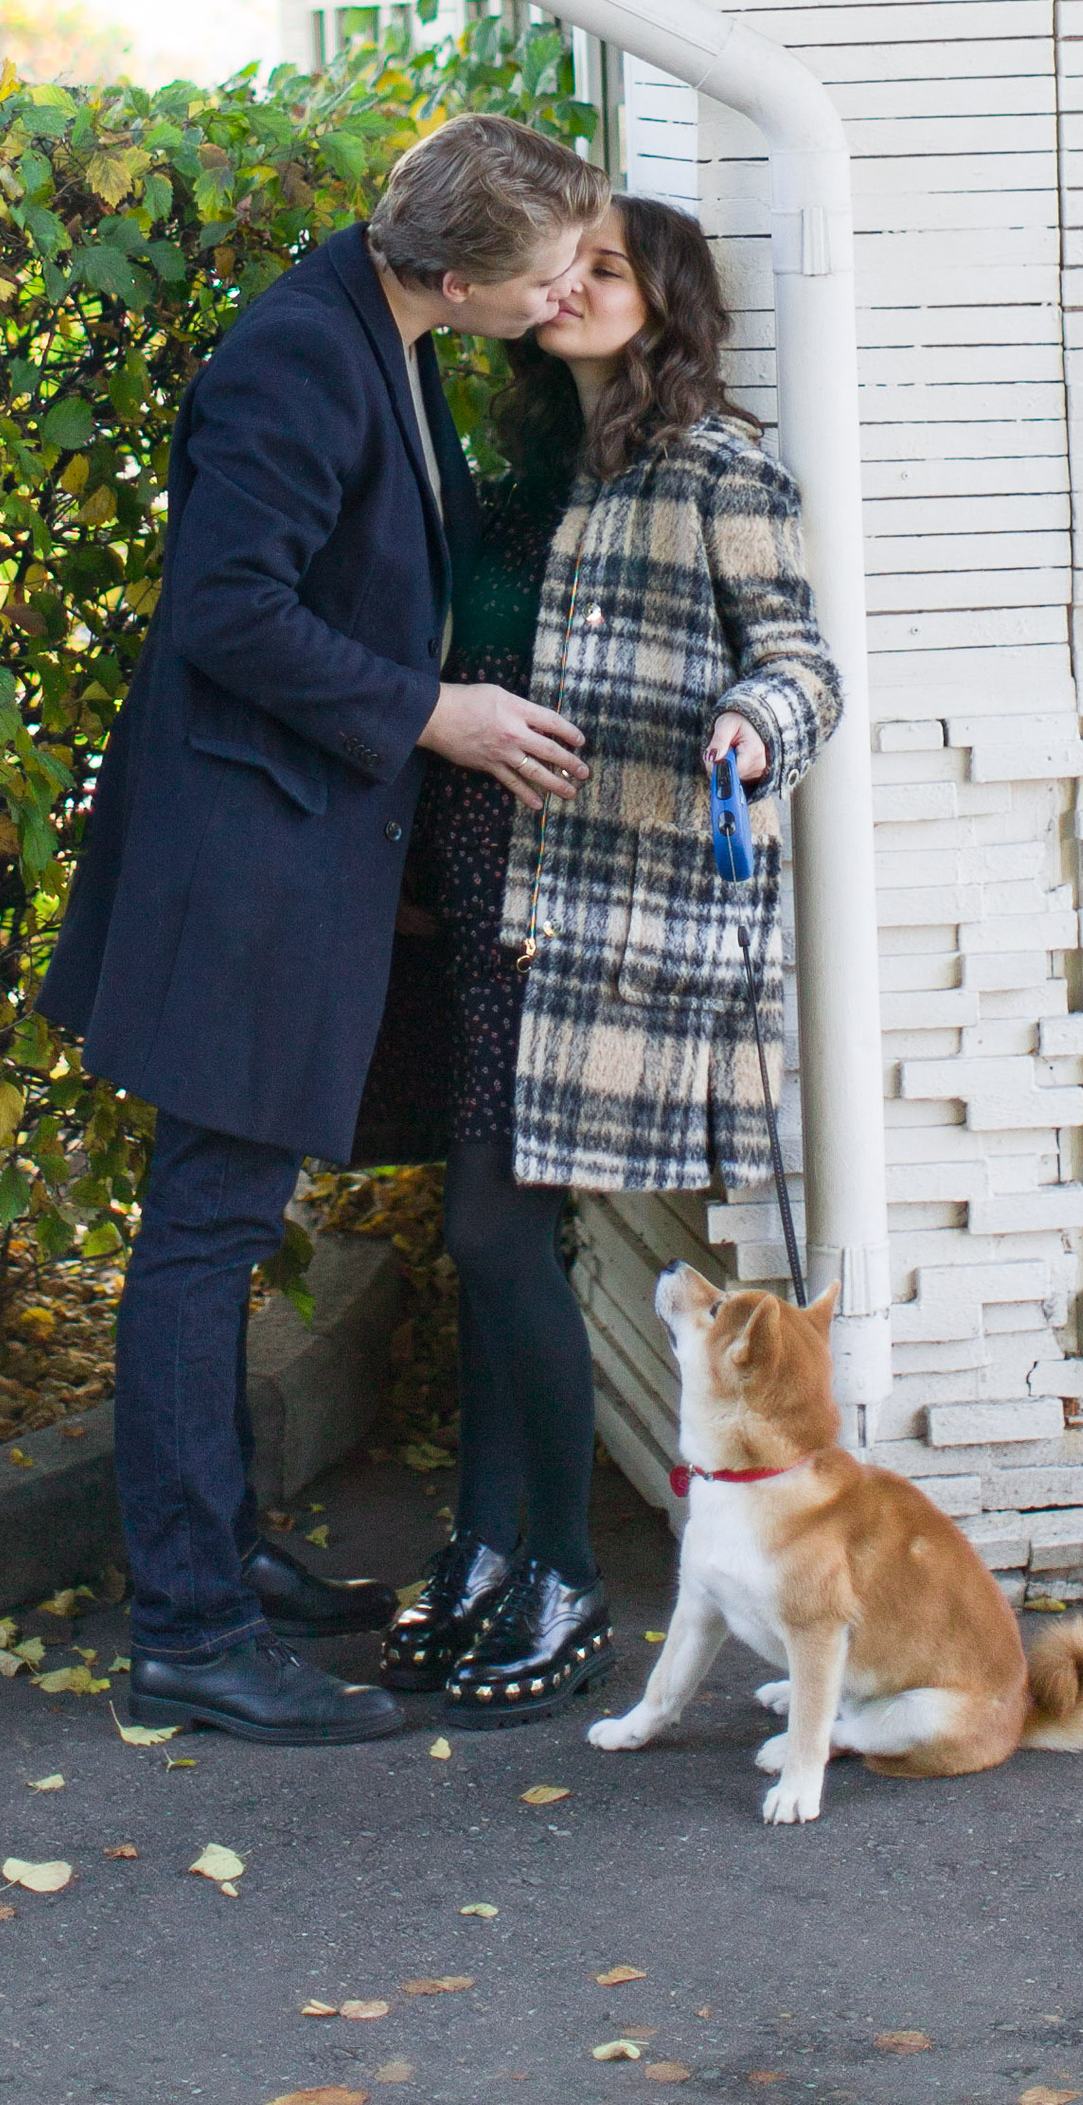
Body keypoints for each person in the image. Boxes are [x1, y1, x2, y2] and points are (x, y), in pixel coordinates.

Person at [44, 112, 610, 1745]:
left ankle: (213, 1554)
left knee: (214, 1231)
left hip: (289, 857)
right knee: (202, 1238)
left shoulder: (388, 322)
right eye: (551, 269)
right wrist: (433, 714)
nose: (569, 284)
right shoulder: (297, 356)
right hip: (247, 871)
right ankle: (194, 1634)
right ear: (452, 272)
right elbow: (228, 613)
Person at [376, 195, 843, 1722]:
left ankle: (558, 1567)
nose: (572, 286)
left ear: (669, 300)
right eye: (563, 264)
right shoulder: (514, 462)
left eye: (611, 269)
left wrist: (750, 734)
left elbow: (804, 663)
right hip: (474, 877)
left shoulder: (720, 464)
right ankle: (492, 1548)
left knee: (494, 1232)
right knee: (499, 1235)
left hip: (602, 903)